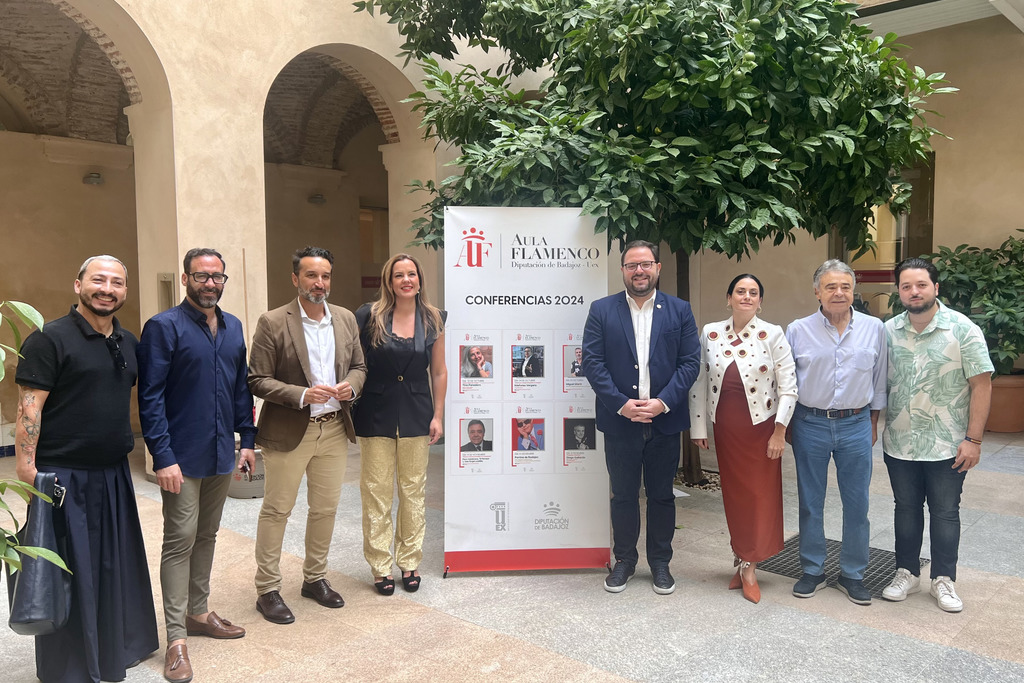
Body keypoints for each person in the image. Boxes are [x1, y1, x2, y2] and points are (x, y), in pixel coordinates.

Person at [14, 255, 159, 683]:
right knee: (69, 574)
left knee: (111, 566)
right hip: (63, 476)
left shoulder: (129, 341)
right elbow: (29, 406)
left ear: (125, 292)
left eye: (117, 283)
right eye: (98, 280)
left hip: (113, 475)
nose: (107, 289)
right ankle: (72, 667)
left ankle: (115, 649)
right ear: (78, 285)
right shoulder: (48, 338)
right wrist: (27, 470)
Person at [137, 248, 256, 682]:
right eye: (202, 276)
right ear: (186, 279)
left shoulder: (233, 326)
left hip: (223, 450)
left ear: (224, 281)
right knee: (180, 537)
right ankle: (175, 638)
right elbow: (149, 397)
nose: (210, 283)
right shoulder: (163, 327)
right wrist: (162, 455)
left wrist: (248, 440)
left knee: (207, 532)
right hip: (180, 456)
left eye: (217, 277)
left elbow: (240, 388)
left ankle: (199, 613)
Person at [247, 246, 366, 624]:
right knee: (277, 510)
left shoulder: (346, 319)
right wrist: (300, 395)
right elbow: (257, 379)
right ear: (295, 278)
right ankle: (267, 589)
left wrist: (351, 385)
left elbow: (360, 365)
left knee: (326, 510)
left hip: (333, 429)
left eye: (326, 276)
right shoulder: (272, 321)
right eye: (312, 275)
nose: (320, 283)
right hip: (288, 432)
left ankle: (315, 579)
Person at [582, 240, 700, 595]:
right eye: (632, 265)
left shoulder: (679, 310)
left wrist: (663, 402)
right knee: (623, 495)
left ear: (657, 268)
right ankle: (625, 561)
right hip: (620, 422)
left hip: (664, 421)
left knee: (662, 495)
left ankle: (660, 564)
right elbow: (592, 362)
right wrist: (621, 403)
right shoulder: (602, 310)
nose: (639, 271)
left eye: (646, 264)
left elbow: (690, 362)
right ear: (622, 270)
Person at [880, 258, 993, 613]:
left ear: (935, 288)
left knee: (945, 512)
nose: (914, 292)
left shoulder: (962, 329)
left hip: (948, 445)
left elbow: (982, 385)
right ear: (899, 291)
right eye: (906, 286)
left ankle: (944, 579)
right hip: (900, 442)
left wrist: (973, 440)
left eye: (921, 285)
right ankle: (907, 573)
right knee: (906, 509)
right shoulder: (888, 331)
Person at [688, 274, 798, 604]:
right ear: (729, 297)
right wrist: (698, 428)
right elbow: (699, 382)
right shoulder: (710, 332)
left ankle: (750, 565)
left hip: (762, 429)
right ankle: (740, 556)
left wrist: (779, 431)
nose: (746, 297)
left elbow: (789, 386)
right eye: (740, 291)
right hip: (727, 428)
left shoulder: (772, 334)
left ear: (760, 301)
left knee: (760, 497)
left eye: (753, 293)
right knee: (735, 496)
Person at [785, 260, 886, 606]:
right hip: (809, 423)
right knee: (811, 501)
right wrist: (786, 424)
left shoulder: (875, 328)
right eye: (830, 287)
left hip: (856, 423)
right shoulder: (797, 330)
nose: (838, 293)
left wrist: (873, 423)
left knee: (857, 503)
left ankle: (853, 574)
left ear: (854, 290)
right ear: (817, 292)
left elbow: (880, 380)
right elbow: (787, 383)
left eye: (845, 286)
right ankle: (812, 569)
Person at [353, 253, 447, 596]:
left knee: (413, 490)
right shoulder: (369, 315)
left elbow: (438, 370)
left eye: (411, 274)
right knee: (376, 491)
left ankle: (409, 562)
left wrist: (438, 414)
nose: (406, 280)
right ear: (389, 281)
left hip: (417, 412)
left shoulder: (434, 318)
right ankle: (380, 566)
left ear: (420, 279)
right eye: (398, 275)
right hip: (374, 412)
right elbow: (355, 364)